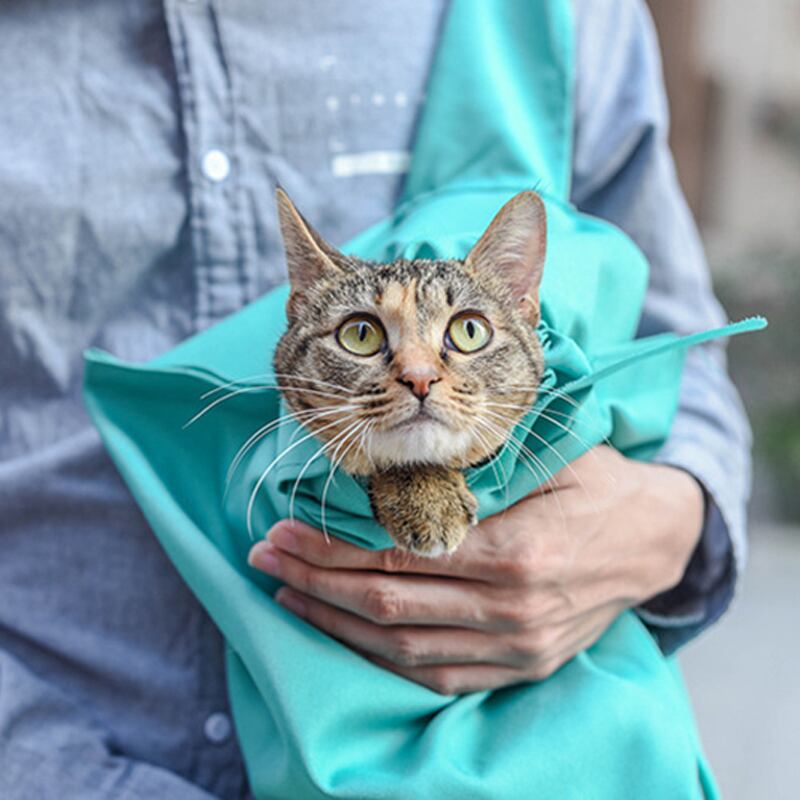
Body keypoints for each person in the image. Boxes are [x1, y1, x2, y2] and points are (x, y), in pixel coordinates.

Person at [0, 0, 750, 797]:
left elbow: (681, 351)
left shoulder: (560, 16)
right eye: (366, 336)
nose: (419, 374)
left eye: (459, 336)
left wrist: (663, 523)